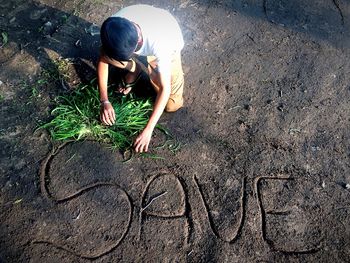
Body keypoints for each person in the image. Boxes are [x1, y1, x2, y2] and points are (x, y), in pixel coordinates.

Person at [97, 4, 185, 153]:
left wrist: (148, 130)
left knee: (171, 105)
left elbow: (165, 89)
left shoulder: (162, 44)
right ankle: (135, 70)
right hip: (142, 40)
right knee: (105, 54)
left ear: (137, 44)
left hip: (169, 45)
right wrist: (104, 101)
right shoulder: (113, 25)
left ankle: (153, 70)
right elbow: (103, 59)